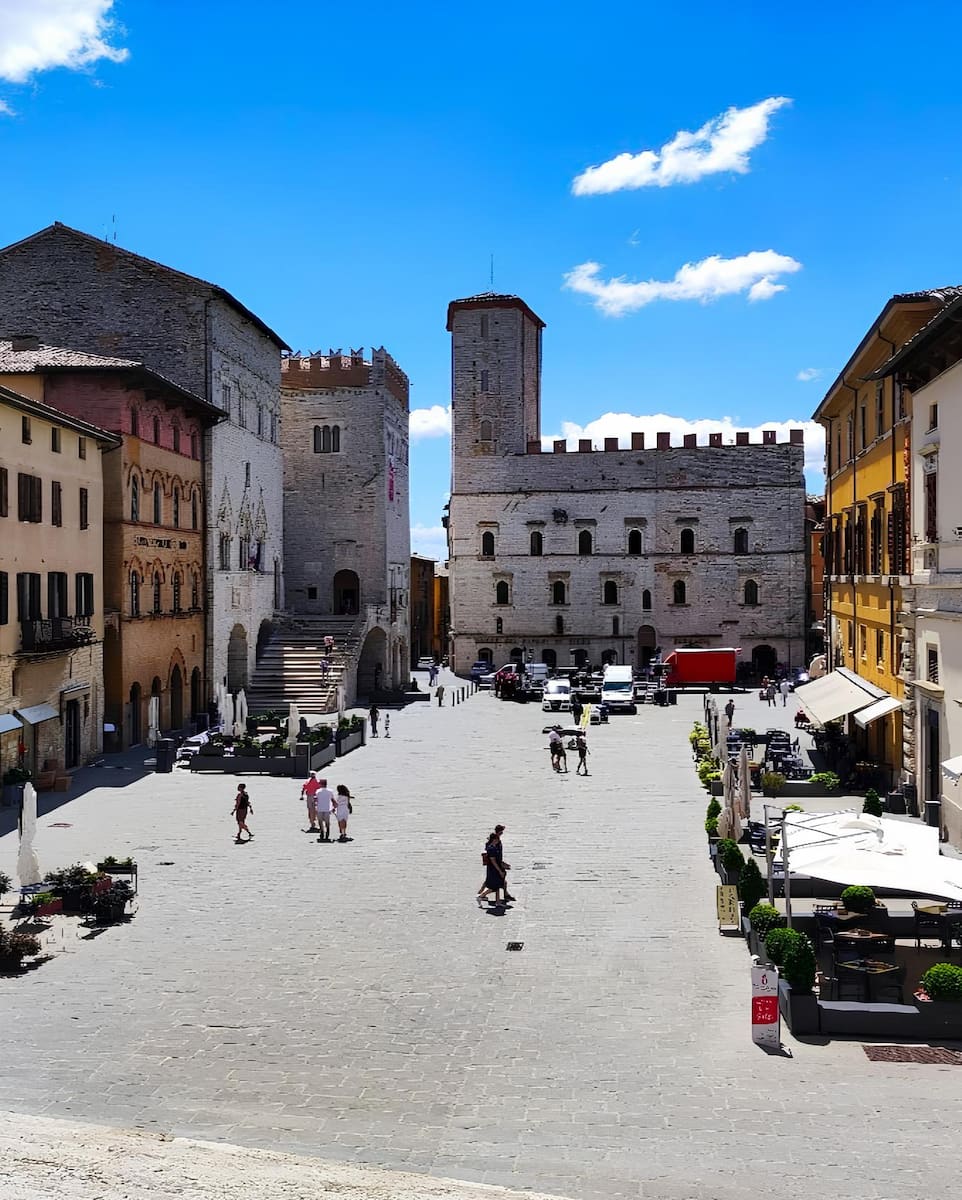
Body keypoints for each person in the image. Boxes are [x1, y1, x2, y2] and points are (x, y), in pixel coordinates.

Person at [477, 828, 511, 905]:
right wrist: (499, 870)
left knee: (498, 884)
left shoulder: (494, 846)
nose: (498, 840)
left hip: (495, 868)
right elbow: (493, 861)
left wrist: (503, 864)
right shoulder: (491, 848)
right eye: (496, 839)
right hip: (493, 869)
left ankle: (498, 901)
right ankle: (481, 895)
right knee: (494, 886)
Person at [315, 778, 335, 842]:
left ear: (321, 784)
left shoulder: (318, 791)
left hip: (320, 808)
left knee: (320, 822)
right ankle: (327, 832)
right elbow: (332, 799)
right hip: (327, 808)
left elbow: (315, 800)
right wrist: (334, 807)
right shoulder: (330, 791)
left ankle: (322, 832)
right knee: (327, 822)